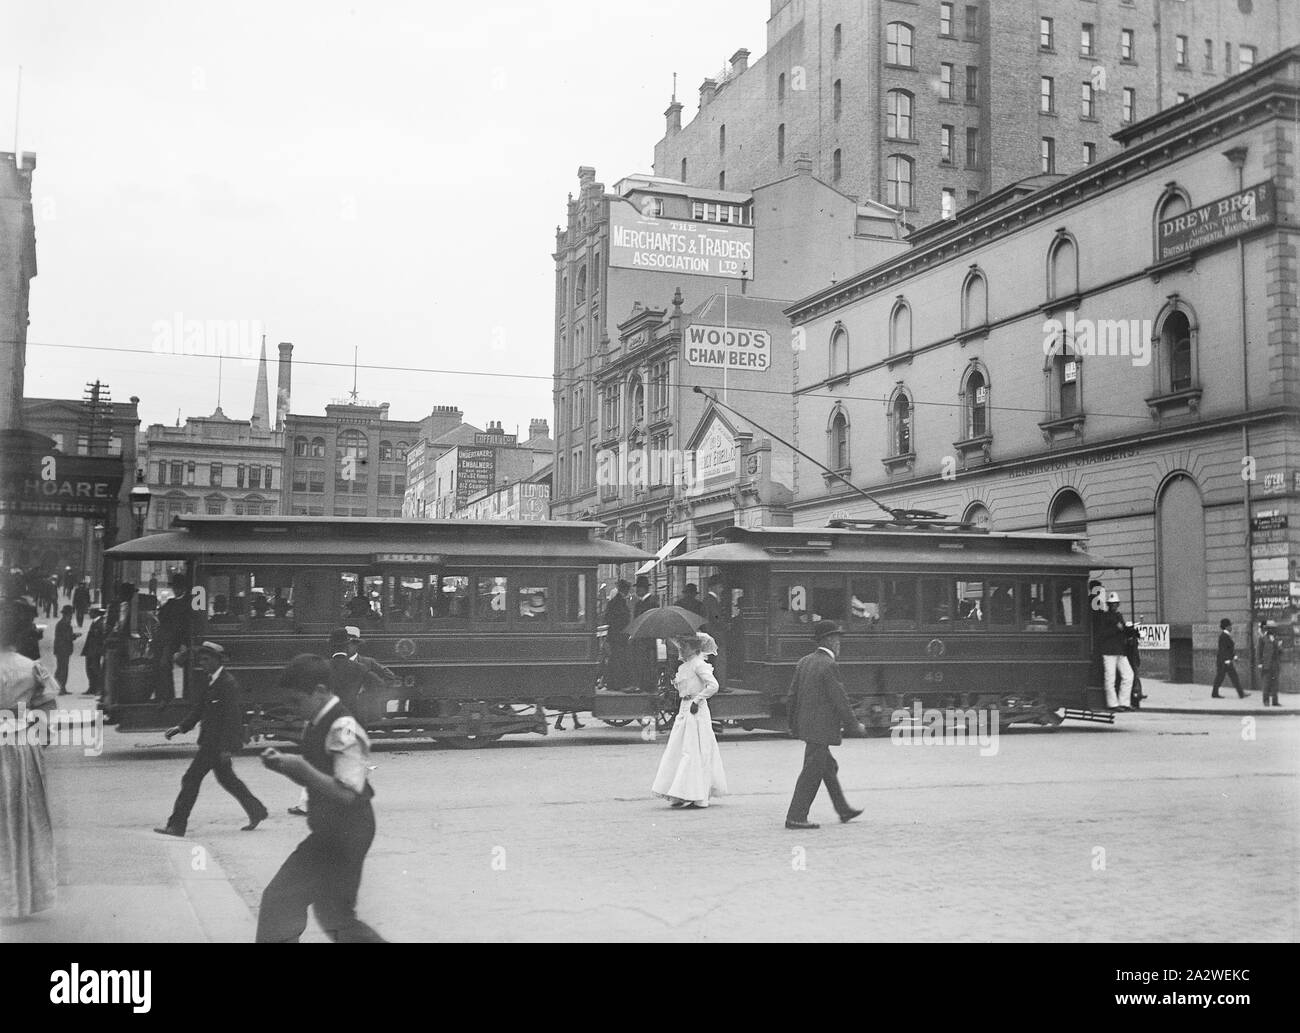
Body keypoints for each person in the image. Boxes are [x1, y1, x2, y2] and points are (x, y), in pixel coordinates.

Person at [256, 653, 386, 943]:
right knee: (327, 914)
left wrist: (300, 767)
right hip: (334, 832)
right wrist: (284, 767)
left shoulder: (344, 728)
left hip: (347, 832)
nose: (295, 710)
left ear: (320, 691)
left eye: (298, 701)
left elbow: (347, 793)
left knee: (286, 901)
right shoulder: (317, 721)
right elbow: (318, 780)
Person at [154, 642, 268, 837]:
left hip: (215, 745)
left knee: (190, 779)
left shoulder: (227, 683)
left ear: (218, 660)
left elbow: (232, 718)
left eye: (206, 659)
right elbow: (199, 710)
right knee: (228, 780)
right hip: (211, 742)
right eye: (201, 660)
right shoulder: (212, 681)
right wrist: (180, 728)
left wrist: (226, 748)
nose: (202, 663)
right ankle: (257, 811)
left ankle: (177, 826)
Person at [0, 601, 59, 919]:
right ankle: (23, 895)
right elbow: (48, 707)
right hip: (22, 745)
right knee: (25, 817)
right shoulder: (30, 667)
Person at [784, 620, 865, 830]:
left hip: (808, 728)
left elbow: (791, 696)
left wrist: (793, 724)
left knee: (827, 767)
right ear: (829, 640)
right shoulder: (828, 665)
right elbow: (840, 698)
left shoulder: (805, 661)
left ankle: (843, 809)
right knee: (811, 773)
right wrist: (854, 725)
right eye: (837, 639)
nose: (839, 644)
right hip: (820, 729)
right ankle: (796, 816)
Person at [651, 634, 727, 808]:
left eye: (685, 646)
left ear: (695, 648)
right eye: (681, 646)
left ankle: (696, 794)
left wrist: (698, 699)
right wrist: (674, 682)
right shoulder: (684, 666)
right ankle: (680, 792)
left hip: (696, 710)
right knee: (680, 748)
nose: (681, 649)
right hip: (685, 709)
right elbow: (684, 688)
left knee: (693, 750)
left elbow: (713, 685)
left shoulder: (699, 665)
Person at [154, 576, 192, 702]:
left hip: (179, 641)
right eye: (174, 588)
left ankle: (166, 697)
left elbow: (188, 625)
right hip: (168, 640)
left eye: (177, 588)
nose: (175, 590)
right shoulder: (171, 602)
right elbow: (161, 616)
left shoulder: (188, 603)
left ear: (183, 588)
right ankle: (164, 695)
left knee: (164, 664)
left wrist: (184, 644)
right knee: (160, 664)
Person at [1096, 592, 1134, 712]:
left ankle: (1124, 702)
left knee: (1128, 675)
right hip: (1109, 651)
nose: (1114, 606)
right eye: (1112, 604)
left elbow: (1121, 631)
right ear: (1108, 605)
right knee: (1110, 678)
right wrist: (1116, 629)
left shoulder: (1119, 616)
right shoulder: (1105, 617)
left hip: (1119, 650)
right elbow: (1102, 634)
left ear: (1118, 604)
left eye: (1115, 604)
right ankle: (1112, 703)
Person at [632, 575, 661, 692]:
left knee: (647, 662)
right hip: (641, 638)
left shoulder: (651, 603)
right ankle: (643, 684)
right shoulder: (640, 604)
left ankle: (648, 686)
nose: (637, 591)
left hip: (647, 638)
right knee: (641, 662)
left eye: (638, 588)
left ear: (644, 589)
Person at [702, 574, 730, 689]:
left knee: (712, 663)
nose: (722, 589)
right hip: (716, 636)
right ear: (714, 587)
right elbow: (716, 617)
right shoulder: (712, 600)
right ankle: (721, 686)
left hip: (710, 636)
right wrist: (726, 625)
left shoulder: (707, 600)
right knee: (720, 662)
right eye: (720, 587)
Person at [604, 580, 632, 690]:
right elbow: (625, 619)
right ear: (625, 590)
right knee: (620, 660)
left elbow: (607, 618)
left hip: (613, 636)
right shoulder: (621, 602)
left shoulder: (612, 602)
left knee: (614, 659)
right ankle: (618, 684)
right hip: (620, 636)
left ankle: (611, 683)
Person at [1211, 618, 1248, 699]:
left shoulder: (1226, 635)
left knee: (1231, 677)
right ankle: (1215, 693)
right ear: (1227, 627)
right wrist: (1227, 660)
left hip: (1225, 661)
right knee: (1221, 677)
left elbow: (1229, 649)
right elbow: (1223, 650)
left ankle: (1241, 694)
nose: (1231, 627)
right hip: (1224, 662)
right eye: (1230, 626)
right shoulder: (1224, 636)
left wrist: (1234, 656)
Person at [53, 605, 81, 694]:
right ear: (66, 615)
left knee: (63, 669)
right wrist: (74, 636)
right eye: (70, 615)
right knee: (61, 669)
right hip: (62, 650)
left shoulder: (65, 624)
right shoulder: (62, 624)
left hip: (64, 650)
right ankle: (58, 688)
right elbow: (66, 637)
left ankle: (62, 688)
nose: (71, 616)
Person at [82, 607, 107, 695]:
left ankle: (98, 688)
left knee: (95, 669)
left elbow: (99, 638)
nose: (89, 614)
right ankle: (92, 687)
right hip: (90, 650)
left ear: (95, 613)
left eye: (91, 612)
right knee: (90, 669)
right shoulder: (96, 622)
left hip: (95, 651)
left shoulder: (100, 623)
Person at [1259, 622, 1283, 707]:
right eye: (1270, 628)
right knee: (1266, 683)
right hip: (1266, 664)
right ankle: (1266, 701)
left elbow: (1280, 651)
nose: (1271, 630)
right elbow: (1259, 652)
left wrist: (1275, 643)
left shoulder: (1277, 639)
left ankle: (1275, 701)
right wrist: (1260, 663)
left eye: (1273, 628)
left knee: (1275, 684)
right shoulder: (1262, 638)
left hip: (1275, 664)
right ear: (1267, 629)